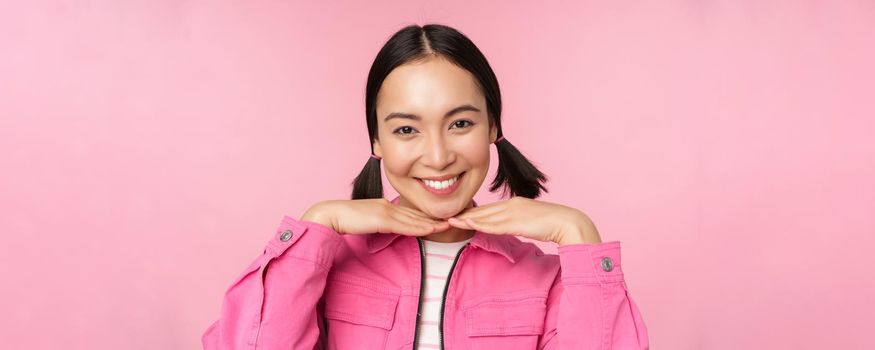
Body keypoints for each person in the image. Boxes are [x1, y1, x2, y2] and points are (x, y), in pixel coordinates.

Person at [202, 23, 649, 350]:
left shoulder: (547, 278)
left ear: (493, 126)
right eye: (406, 130)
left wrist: (579, 234)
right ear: (376, 140)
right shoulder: (327, 263)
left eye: (459, 123)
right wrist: (318, 223)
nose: (437, 156)